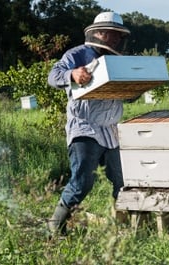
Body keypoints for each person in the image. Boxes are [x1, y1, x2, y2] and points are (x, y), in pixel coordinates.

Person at [46, 11, 131, 235]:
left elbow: (128, 94)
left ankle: (121, 226)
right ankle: (55, 228)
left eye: (116, 35)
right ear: (97, 33)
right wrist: (72, 74)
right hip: (85, 128)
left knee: (122, 181)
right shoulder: (77, 54)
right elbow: (53, 76)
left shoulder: (118, 61)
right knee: (82, 182)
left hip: (111, 130)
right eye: (109, 34)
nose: (113, 39)